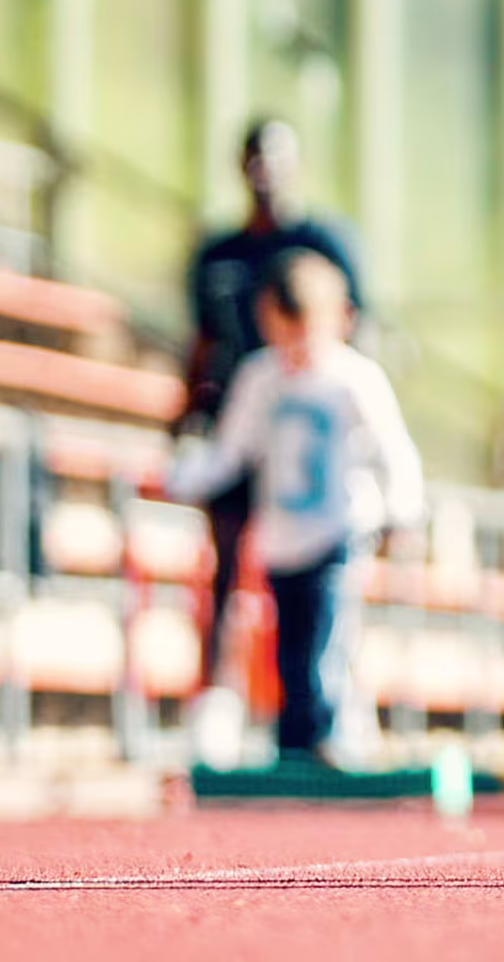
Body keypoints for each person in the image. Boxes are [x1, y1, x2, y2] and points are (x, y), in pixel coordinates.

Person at [171, 249, 424, 762]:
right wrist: (180, 477)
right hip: (283, 536)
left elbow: (392, 450)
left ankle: (322, 738)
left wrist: (404, 511)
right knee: (287, 649)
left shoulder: (354, 379)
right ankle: (294, 743)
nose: (294, 351)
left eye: (304, 335)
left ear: (338, 321)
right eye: (283, 335)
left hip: (339, 531)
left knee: (324, 644)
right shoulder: (261, 378)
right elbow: (232, 450)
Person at [181, 118, 363, 702]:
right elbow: (201, 344)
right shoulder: (218, 255)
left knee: (315, 575)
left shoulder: (323, 244)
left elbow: (358, 335)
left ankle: (326, 701)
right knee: (227, 567)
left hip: (307, 441)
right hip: (242, 428)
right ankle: (217, 694)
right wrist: (190, 425)